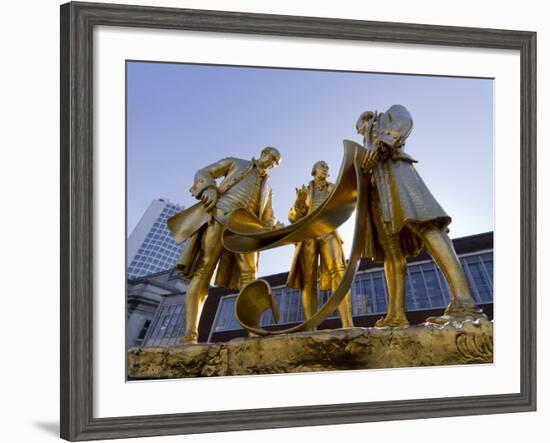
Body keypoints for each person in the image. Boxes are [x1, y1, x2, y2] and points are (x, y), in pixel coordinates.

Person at [355, 105, 486, 327]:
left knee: (427, 225)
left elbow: (404, 120)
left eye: (361, 126)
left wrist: (380, 146)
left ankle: (465, 303)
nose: (361, 131)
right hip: (377, 194)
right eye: (360, 131)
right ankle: (396, 315)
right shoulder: (365, 146)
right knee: (390, 253)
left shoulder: (389, 115)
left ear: (368, 117)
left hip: (398, 177)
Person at [167, 147, 281, 343]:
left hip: (246, 230)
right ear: (263, 153)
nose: (271, 164)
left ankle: (253, 332)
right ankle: (190, 334)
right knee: (205, 268)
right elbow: (204, 172)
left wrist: (272, 226)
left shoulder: (268, 188)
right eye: (271, 159)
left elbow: (268, 215)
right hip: (220, 215)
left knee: (250, 275)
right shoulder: (236, 162)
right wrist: (209, 188)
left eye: (275, 163)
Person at [286, 160, 354, 330]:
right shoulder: (305, 190)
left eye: (327, 167)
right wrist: (299, 203)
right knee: (308, 281)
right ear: (313, 170)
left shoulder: (333, 187)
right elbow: (293, 218)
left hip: (328, 231)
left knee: (338, 273)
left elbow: (345, 204)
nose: (325, 169)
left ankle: (347, 324)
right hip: (308, 234)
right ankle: (311, 328)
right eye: (322, 166)